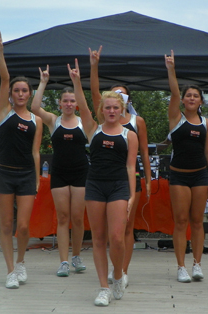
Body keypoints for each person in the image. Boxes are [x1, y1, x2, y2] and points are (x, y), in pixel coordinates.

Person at [68, 58, 138, 306]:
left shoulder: (130, 135)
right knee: (98, 238)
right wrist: (77, 81)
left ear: (122, 110)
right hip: (95, 185)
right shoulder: (92, 128)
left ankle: (118, 274)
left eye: (114, 108)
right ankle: (103, 287)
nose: (110, 111)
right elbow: (84, 104)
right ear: (102, 110)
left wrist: (131, 196)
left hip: (119, 186)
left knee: (117, 238)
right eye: (107, 108)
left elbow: (131, 166)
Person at [89, 46, 152, 287]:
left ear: (126, 100)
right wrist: (94, 66)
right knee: (105, 234)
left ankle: (122, 272)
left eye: (122, 96)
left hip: (128, 180)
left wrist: (146, 180)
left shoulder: (136, 122)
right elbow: (94, 93)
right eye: (114, 95)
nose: (117, 100)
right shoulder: (102, 118)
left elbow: (143, 153)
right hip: (101, 180)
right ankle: (112, 277)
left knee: (125, 230)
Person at [0, 30, 43, 289]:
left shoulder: (37, 121)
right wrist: (0, 52)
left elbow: (36, 151)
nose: (20, 94)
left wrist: (36, 179)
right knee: (6, 223)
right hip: (3, 173)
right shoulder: (4, 112)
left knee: (23, 227)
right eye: (17, 91)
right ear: (11, 95)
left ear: (30, 94)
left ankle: (21, 261)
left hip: (25, 176)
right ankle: (10, 270)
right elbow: (4, 78)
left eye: (25, 91)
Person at [30, 66, 88, 277]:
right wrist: (43, 82)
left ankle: (76, 256)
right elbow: (35, 108)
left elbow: (90, 105)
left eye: (73, 101)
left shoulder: (84, 123)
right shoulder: (54, 121)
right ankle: (63, 261)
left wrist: (77, 83)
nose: (69, 104)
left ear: (77, 104)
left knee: (78, 218)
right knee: (63, 218)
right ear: (60, 103)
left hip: (81, 173)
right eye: (66, 101)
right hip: (60, 173)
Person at [165, 50, 208, 283]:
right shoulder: (176, 118)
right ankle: (180, 266)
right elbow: (174, 92)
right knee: (181, 221)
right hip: (178, 176)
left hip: (200, 176)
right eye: (189, 96)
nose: (192, 98)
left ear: (201, 101)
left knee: (197, 221)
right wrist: (171, 69)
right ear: (183, 100)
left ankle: (197, 264)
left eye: (196, 96)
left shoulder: (207, 123)